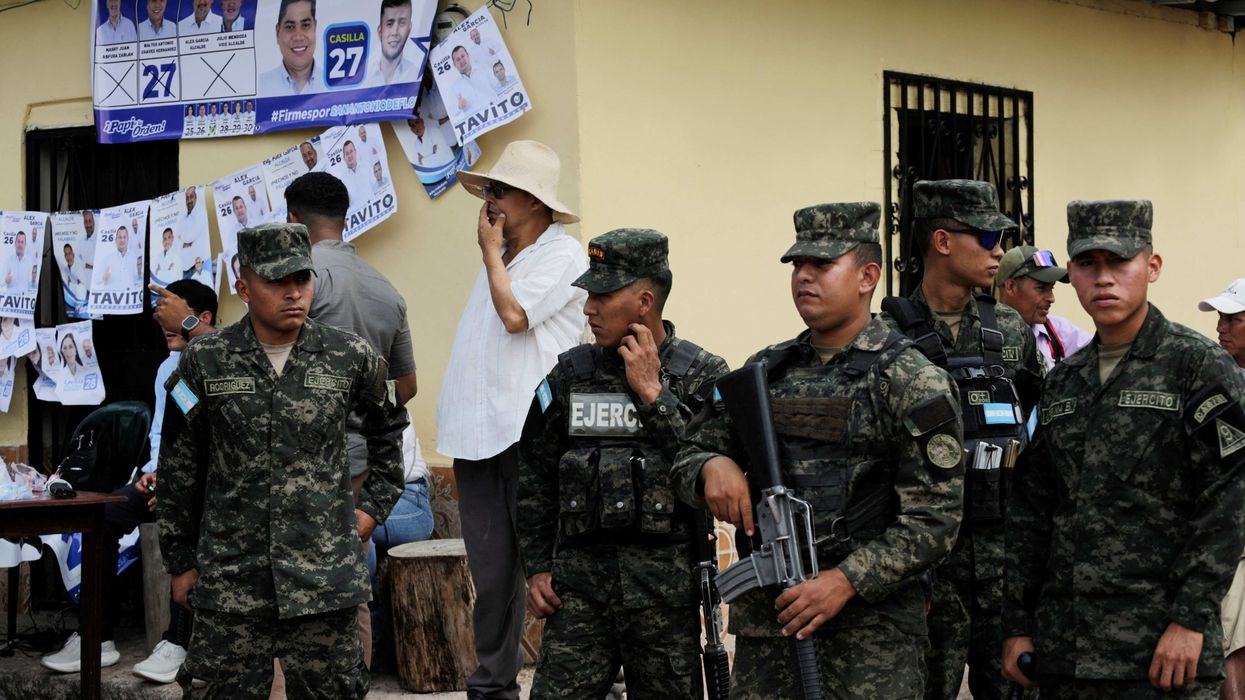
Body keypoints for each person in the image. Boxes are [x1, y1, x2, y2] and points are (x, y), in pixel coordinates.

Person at [672, 202, 965, 697]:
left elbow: (936, 520)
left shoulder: (912, 381)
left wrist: (846, 580)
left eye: (822, 265)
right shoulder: (763, 373)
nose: (804, 277)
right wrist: (710, 467)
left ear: (868, 276)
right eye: (797, 266)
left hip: (872, 639)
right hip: (772, 629)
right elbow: (687, 454)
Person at [1003, 200, 1245, 698]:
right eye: (1088, 264)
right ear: (1071, 273)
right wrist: (1017, 624)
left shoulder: (1196, 366)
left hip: (1162, 653)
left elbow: (1228, 502)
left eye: (1119, 261)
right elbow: (1033, 511)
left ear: (1151, 267)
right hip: (1067, 651)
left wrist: (1191, 620)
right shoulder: (1065, 380)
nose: (1104, 278)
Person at [155, 223, 407, 698]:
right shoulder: (204, 361)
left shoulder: (347, 355)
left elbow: (391, 428)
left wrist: (372, 509)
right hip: (231, 581)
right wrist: (181, 561)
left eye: (302, 279)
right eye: (277, 281)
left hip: (323, 582)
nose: (294, 293)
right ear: (243, 286)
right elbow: (177, 467)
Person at [519, 228, 728, 698]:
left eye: (602, 295)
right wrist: (536, 566)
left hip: (664, 600)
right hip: (578, 595)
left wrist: (654, 395)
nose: (588, 308)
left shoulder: (700, 377)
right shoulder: (570, 376)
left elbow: (708, 474)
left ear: (645, 302)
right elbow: (534, 473)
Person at [879, 179, 1044, 700]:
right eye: (988, 236)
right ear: (943, 241)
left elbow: (1037, 433)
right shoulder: (887, 335)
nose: (1000, 249)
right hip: (929, 567)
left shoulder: (1011, 332)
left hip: (1006, 558)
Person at [437, 140, 588, 700]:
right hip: (479, 438)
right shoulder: (500, 258)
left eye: (500, 190)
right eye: (490, 191)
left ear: (534, 199)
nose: (491, 200)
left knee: (550, 572)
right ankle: (493, 687)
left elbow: (515, 317)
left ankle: (579, 681)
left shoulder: (561, 255)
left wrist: (490, 254)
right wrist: (494, 256)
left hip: (532, 438)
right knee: (493, 575)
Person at [41, 280, 217, 683]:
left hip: (203, 485)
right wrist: (151, 474)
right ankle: (95, 637)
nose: (161, 322)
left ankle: (178, 641)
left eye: (170, 312)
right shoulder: (167, 368)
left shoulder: (220, 362)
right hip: (164, 477)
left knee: (184, 516)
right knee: (101, 516)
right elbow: (161, 434)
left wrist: (173, 482)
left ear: (201, 318)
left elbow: (212, 442)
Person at [1198, 279, 1245, 700]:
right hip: (1231, 538)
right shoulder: (1220, 382)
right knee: (1232, 639)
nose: (1220, 328)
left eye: (1233, 319)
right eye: (1220, 318)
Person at [995, 245, 1092, 367]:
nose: (1051, 298)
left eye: (1051, 288)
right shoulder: (981, 331)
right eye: (1041, 288)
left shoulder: (1058, 331)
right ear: (1010, 287)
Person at [258, 0, 320, 96]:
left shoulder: (336, 83)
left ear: (315, 27)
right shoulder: (260, 86)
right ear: (278, 32)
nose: (298, 37)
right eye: (290, 27)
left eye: (306, 25)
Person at [370, 0, 417, 85]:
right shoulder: (365, 77)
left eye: (402, 23)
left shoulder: (417, 74)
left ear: (409, 29)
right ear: (380, 31)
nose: (395, 32)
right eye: (389, 24)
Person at [448, 45, 493, 118]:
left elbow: (499, 86)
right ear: (454, 65)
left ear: (468, 55)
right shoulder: (455, 86)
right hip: (480, 123)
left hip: (496, 113)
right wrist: (459, 106)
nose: (461, 61)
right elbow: (453, 111)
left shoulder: (484, 68)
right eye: (458, 59)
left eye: (463, 56)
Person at [181, 187, 209, 280]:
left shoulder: (201, 213)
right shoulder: (185, 217)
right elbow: (178, 237)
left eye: (191, 197)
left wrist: (184, 240)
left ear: (196, 198)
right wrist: (184, 241)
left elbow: (187, 237)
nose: (189, 200)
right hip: (185, 271)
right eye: (187, 198)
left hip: (197, 269)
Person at [100, 225, 139, 291]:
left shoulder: (135, 258)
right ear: (116, 240)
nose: (122, 240)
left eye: (124, 237)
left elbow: (137, 279)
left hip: (129, 298)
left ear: (128, 239)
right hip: (113, 298)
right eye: (120, 237)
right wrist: (102, 277)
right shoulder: (108, 258)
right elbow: (96, 279)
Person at [337, 141, 372, 209]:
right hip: (358, 215)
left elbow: (376, 187)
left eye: (351, 151)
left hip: (373, 209)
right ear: (344, 158)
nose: (350, 155)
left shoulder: (367, 166)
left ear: (355, 151)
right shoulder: (342, 180)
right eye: (347, 154)